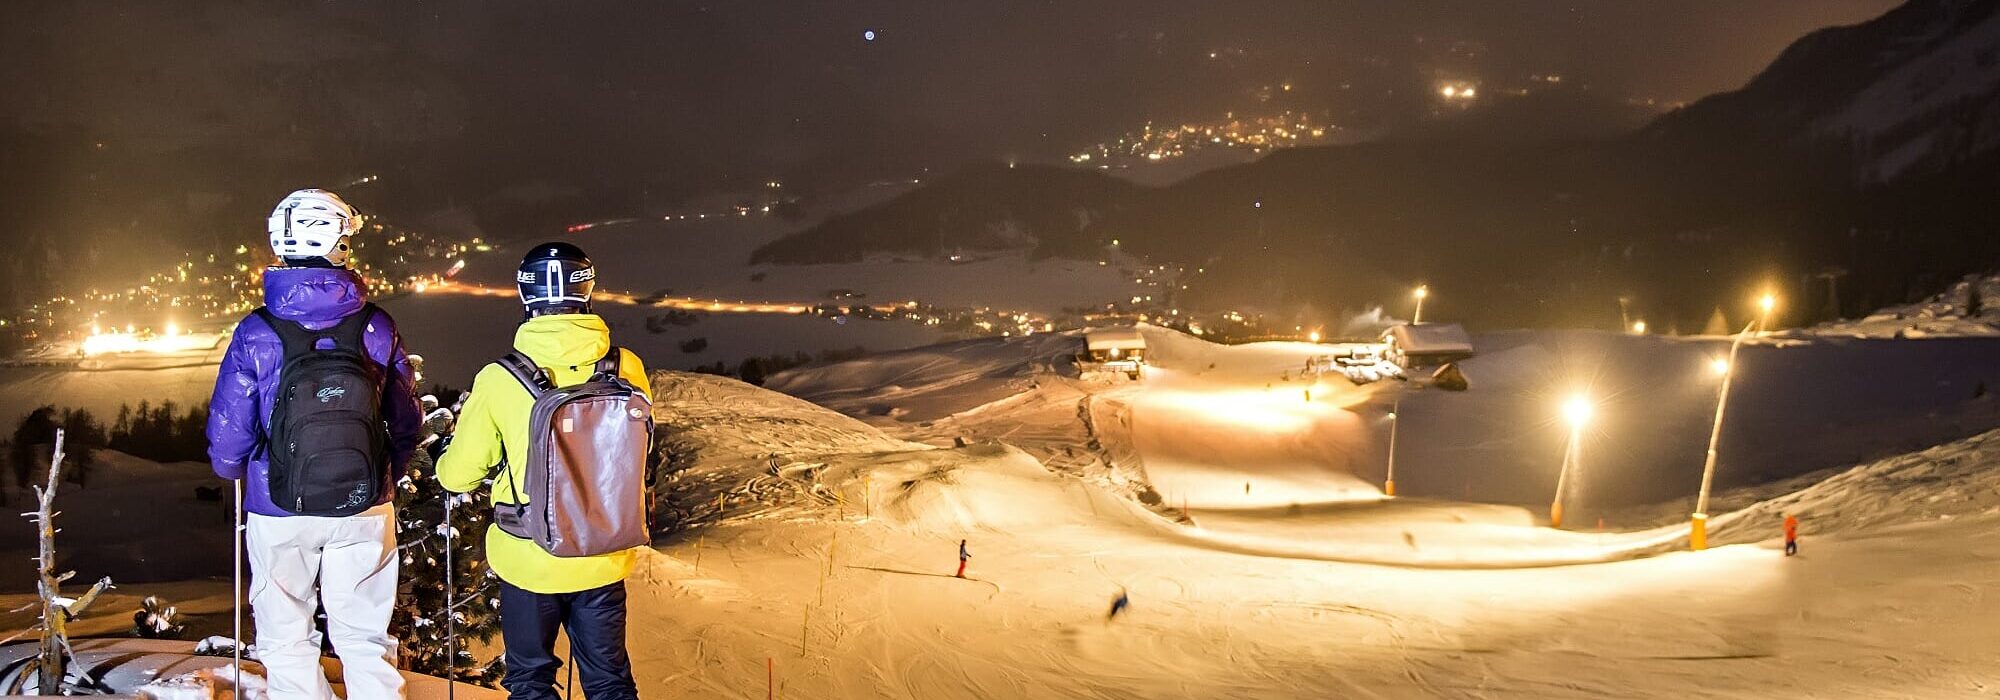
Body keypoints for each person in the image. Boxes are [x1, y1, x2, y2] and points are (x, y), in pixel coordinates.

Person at [206, 188, 419, 699]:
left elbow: (230, 435)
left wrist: (231, 468)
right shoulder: (376, 324)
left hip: (276, 503)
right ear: (337, 243)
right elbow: (405, 418)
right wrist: (389, 468)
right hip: (364, 504)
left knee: (285, 633)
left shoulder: (257, 330)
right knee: (366, 636)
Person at [439, 242, 649, 700]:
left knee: (530, 680)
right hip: (602, 553)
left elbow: (457, 475)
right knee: (610, 681)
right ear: (587, 288)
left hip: (529, 556)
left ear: (524, 293)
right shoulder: (624, 366)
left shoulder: (500, 377)